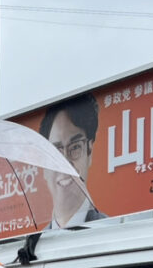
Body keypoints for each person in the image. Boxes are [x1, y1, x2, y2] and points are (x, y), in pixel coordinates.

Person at [38, 93, 107, 229]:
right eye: (56, 152)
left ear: (90, 151)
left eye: (75, 147)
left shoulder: (109, 230)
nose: (65, 163)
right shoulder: (33, 244)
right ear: (44, 167)